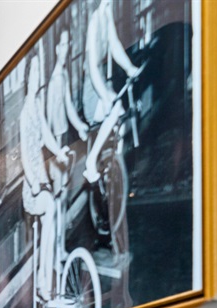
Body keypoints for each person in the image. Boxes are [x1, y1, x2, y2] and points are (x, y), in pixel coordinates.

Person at [19, 55, 71, 308]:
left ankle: (50, 270)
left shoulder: (37, 107)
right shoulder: (24, 113)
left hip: (43, 181)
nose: (38, 74)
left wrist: (58, 151)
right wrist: (35, 183)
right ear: (28, 75)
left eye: (41, 69)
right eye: (35, 69)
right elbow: (26, 158)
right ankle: (43, 283)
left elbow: (48, 135)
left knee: (56, 206)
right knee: (50, 207)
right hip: (32, 189)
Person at [82, 0, 141, 185]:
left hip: (102, 85)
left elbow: (114, 45)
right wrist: (103, 96)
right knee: (115, 108)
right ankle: (91, 161)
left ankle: (114, 164)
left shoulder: (107, 13)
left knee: (121, 115)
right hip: (92, 92)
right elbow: (92, 67)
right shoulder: (93, 21)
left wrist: (130, 68)